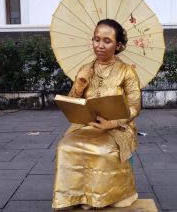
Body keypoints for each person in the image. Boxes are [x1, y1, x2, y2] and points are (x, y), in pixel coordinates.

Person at [52, 19, 141, 210]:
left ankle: (109, 196)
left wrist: (113, 123)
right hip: (85, 124)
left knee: (102, 150)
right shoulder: (85, 69)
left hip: (117, 127)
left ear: (118, 45)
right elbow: (73, 102)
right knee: (65, 147)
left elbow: (135, 107)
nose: (100, 45)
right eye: (96, 39)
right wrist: (79, 86)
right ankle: (77, 197)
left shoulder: (127, 72)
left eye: (107, 41)